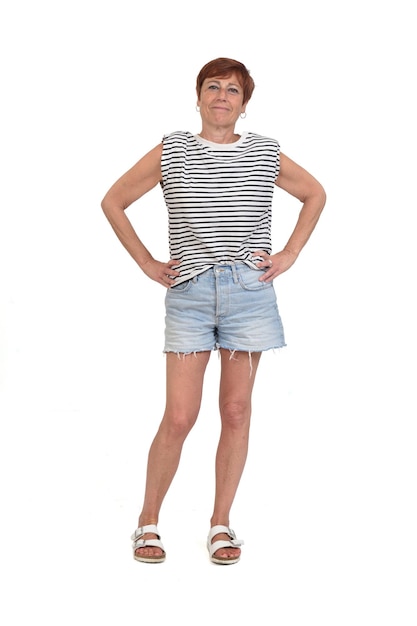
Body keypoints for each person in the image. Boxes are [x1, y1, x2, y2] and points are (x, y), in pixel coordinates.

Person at [101, 57, 326, 565]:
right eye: (213, 87)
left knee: (236, 411)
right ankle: (148, 520)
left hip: (250, 291)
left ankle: (220, 523)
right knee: (180, 416)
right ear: (198, 96)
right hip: (192, 292)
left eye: (233, 90)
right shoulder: (173, 148)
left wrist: (289, 254)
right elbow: (113, 200)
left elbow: (315, 193)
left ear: (244, 104)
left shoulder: (266, 152)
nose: (222, 96)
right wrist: (145, 262)